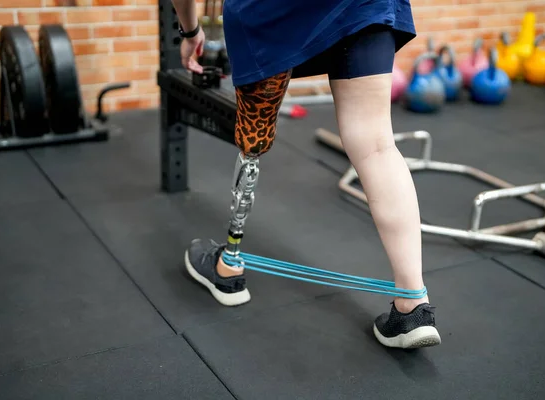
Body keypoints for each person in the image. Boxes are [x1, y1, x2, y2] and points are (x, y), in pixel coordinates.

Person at [171, 0, 441, 349]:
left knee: (253, 141)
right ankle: (412, 308)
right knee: (376, 145)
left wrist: (190, 30)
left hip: (270, 14)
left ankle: (229, 268)